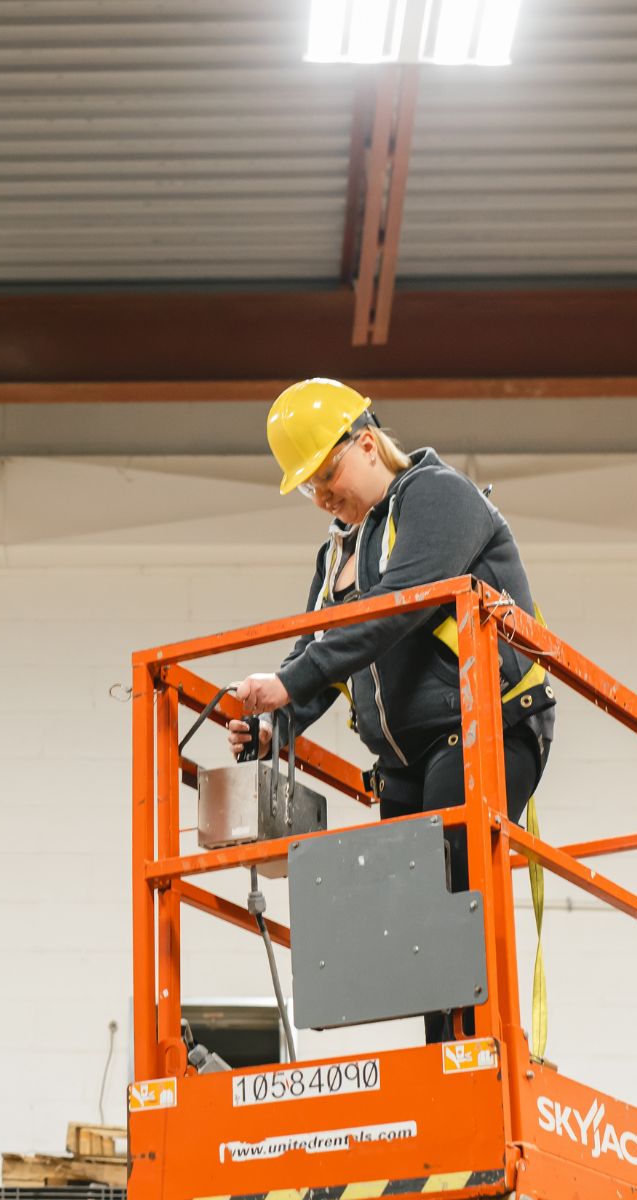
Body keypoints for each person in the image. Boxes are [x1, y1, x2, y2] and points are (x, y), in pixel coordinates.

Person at [226, 378, 556, 1043]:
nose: (323, 496)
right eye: (310, 489)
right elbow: (319, 654)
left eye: (327, 475)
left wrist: (287, 686)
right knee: (412, 925)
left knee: (451, 898)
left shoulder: (438, 498)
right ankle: (447, 1071)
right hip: (405, 758)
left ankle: (476, 1064)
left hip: (482, 729)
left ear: (368, 443)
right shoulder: (339, 553)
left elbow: (401, 607)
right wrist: (273, 728)